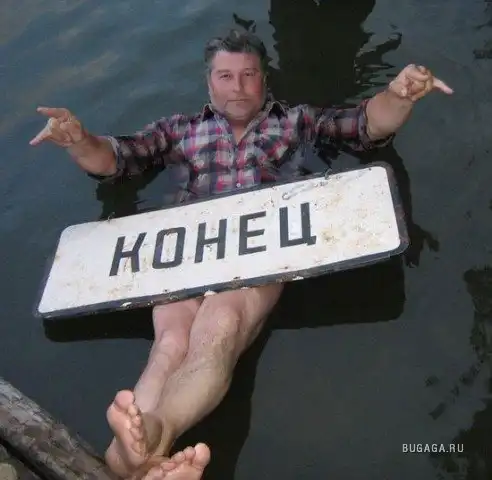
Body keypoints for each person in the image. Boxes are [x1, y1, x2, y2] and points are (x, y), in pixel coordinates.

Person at [29, 29, 453, 480]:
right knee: (170, 342)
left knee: (222, 323)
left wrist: (399, 95)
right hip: (188, 249)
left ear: (264, 80)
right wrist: (78, 140)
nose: (238, 86)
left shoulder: (297, 122)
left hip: (260, 249)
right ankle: (132, 453)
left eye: (249, 75)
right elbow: (116, 159)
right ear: (209, 83)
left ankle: (155, 433)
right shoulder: (177, 130)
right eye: (226, 76)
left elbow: (366, 125)